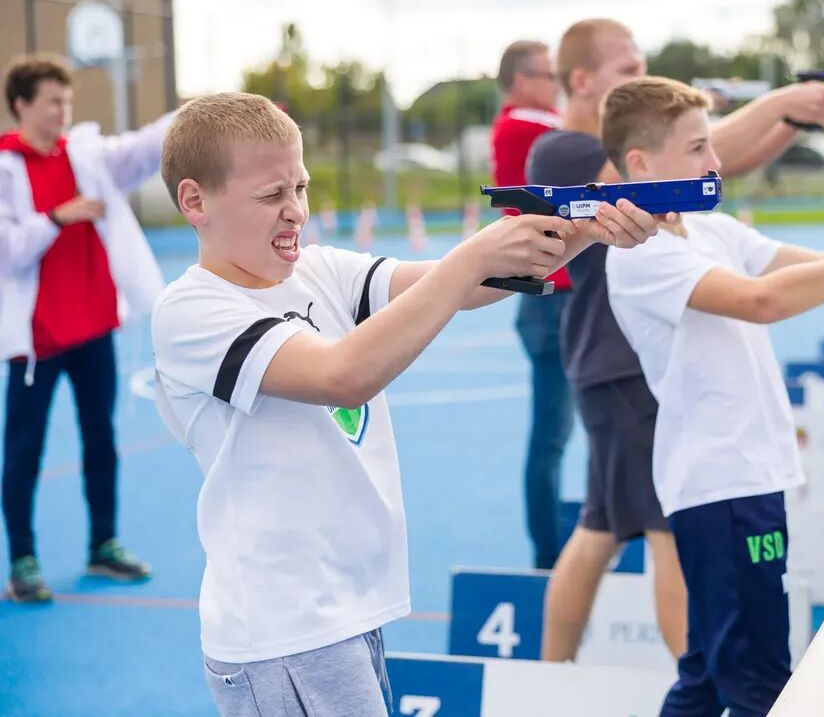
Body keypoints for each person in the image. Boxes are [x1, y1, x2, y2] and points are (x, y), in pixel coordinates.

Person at [151, 92, 663, 715]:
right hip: (283, 626)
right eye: (270, 196)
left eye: (301, 188)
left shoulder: (318, 269)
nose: (295, 212)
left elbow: (468, 285)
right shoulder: (192, 310)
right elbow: (344, 375)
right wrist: (475, 252)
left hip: (342, 608)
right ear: (194, 201)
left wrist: (591, 229)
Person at [600, 76, 824, 715]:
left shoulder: (711, 229)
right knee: (758, 684)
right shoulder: (638, 254)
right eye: (696, 148)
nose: (715, 163)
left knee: (711, 678)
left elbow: (810, 266)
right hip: (721, 487)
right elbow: (762, 301)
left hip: (747, 478)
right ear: (640, 164)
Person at [527, 18, 824, 663]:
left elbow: (713, 164)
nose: (642, 76)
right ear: (581, 79)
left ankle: (567, 676)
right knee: (660, 532)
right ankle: (694, 671)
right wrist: (779, 102)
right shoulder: (564, 149)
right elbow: (679, 171)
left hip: (631, 359)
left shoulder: (657, 172)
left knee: (601, 525)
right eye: (628, 69)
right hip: (620, 358)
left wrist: (797, 119)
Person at [0, 54, 168, 602]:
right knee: (24, 450)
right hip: (38, 340)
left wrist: (204, 113)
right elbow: (7, 249)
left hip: (94, 328)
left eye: (67, 101)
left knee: (103, 440)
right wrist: (57, 216)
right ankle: (23, 562)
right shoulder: (4, 166)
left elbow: (142, 149)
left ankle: (104, 545)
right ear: (21, 105)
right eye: (52, 101)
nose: (63, 111)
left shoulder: (86, 155)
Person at [489, 40, 574, 570]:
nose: (558, 83)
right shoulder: (524, 125)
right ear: (521, 81)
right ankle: (550, 559)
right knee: (552, 438)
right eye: (551, 74)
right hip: (554, 299)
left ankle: (560, 554)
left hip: (556, 298)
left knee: (557, 436)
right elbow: (595, 138)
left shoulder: (533, 123)